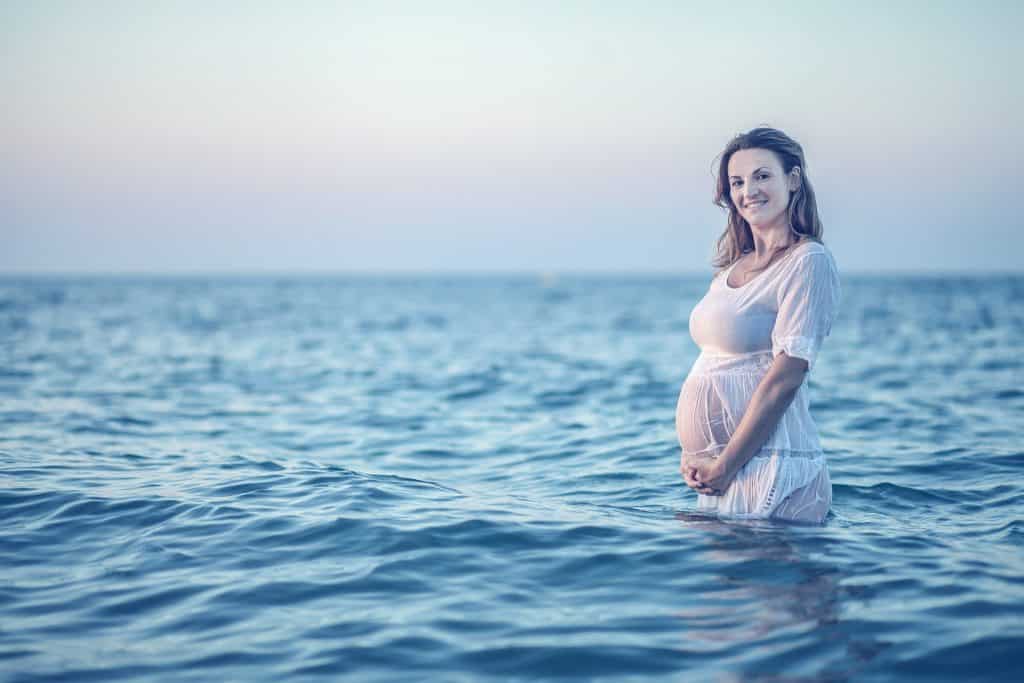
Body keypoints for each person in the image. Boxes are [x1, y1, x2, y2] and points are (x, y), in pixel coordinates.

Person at [677, 126, 841, 523]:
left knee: (772, 586)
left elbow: (786, 377)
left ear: (793, 180)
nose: (748, 190)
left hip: (776, 472)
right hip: (724, 475)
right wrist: (699, 457)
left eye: (762, 175)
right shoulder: (731, 269)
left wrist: (725, 465)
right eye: (737, 181)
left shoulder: (808, 261)